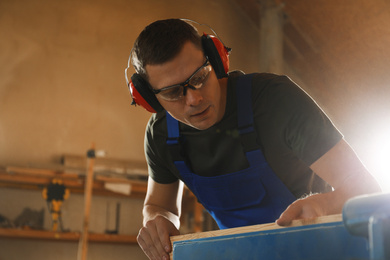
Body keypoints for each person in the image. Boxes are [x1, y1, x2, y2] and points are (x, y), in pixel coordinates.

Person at [125, 19, 381, 260]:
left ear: (216, 60)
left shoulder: (276, 102)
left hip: (323, 250)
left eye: (199, 78)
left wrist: (324, 205)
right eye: (172, 92)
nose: (194, 99)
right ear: (150, 99)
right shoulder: (161, 135)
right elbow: (159, 204)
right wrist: (157, 219)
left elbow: (367, 189)